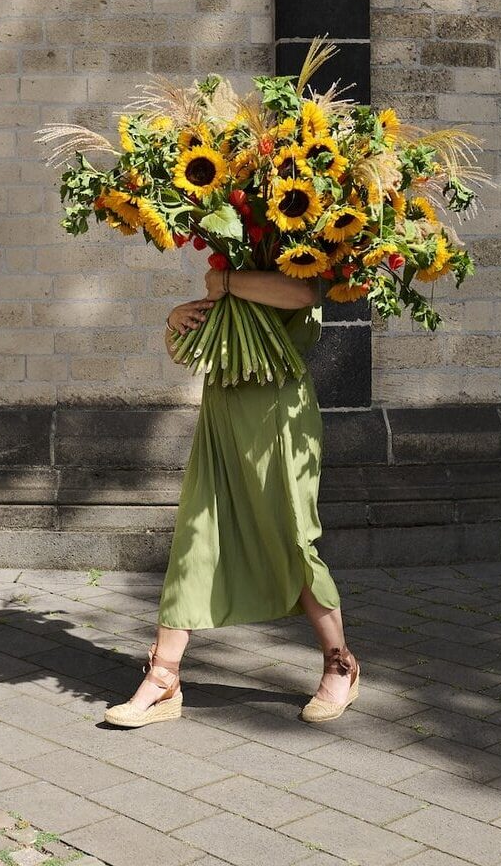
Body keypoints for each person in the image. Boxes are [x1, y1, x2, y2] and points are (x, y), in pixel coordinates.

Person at [103, 264, 359, 727]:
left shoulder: (298, 248)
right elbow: (186, 350)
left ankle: (340, 664)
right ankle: (163, 679)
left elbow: (303, 294)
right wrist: (175, 321)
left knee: (291, 538)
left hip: (278, 418)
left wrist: (222, 282)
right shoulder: (234, 252)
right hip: (222, 411)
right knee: (194, 539)